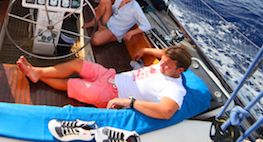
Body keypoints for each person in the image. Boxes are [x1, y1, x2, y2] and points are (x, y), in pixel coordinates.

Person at [17, 45, 192, 120]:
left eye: (166, 64)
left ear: (180, 71)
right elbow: (165, 54)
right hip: (110, 76)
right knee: (78, 63)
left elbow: (167, 111)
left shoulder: (174, 88)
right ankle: (37, 72)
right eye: (162, 60)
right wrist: (145, 49)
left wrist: (129, 102)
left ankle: (36, 75)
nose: (161, 64)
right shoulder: (167, 63)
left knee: (72, 84)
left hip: (111, 94)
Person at [83, 0, 151, 46]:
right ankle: (94, 22)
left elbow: (147, 26)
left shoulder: (135, 8)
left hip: (115, 31)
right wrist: (100, 8)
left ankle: (100, 26)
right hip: (110, 21)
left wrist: (131, 33)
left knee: (95, 40)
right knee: (106, 0)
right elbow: (113, 9)